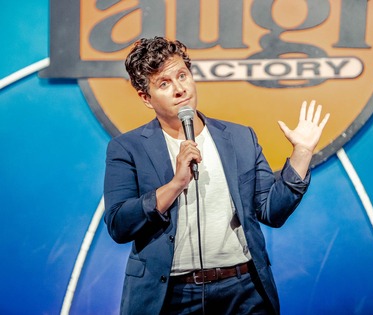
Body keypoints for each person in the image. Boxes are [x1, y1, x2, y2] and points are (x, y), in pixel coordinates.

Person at [103, 36, 330, 315]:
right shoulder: (128, 148)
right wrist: (175, 185)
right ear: (146, 97)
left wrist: (302, 153)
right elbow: (119, 224)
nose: (179, 89)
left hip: (242, 291)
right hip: (171, 295)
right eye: (164, 83)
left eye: (182, 76)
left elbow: (272, 211)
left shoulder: (239, 137)